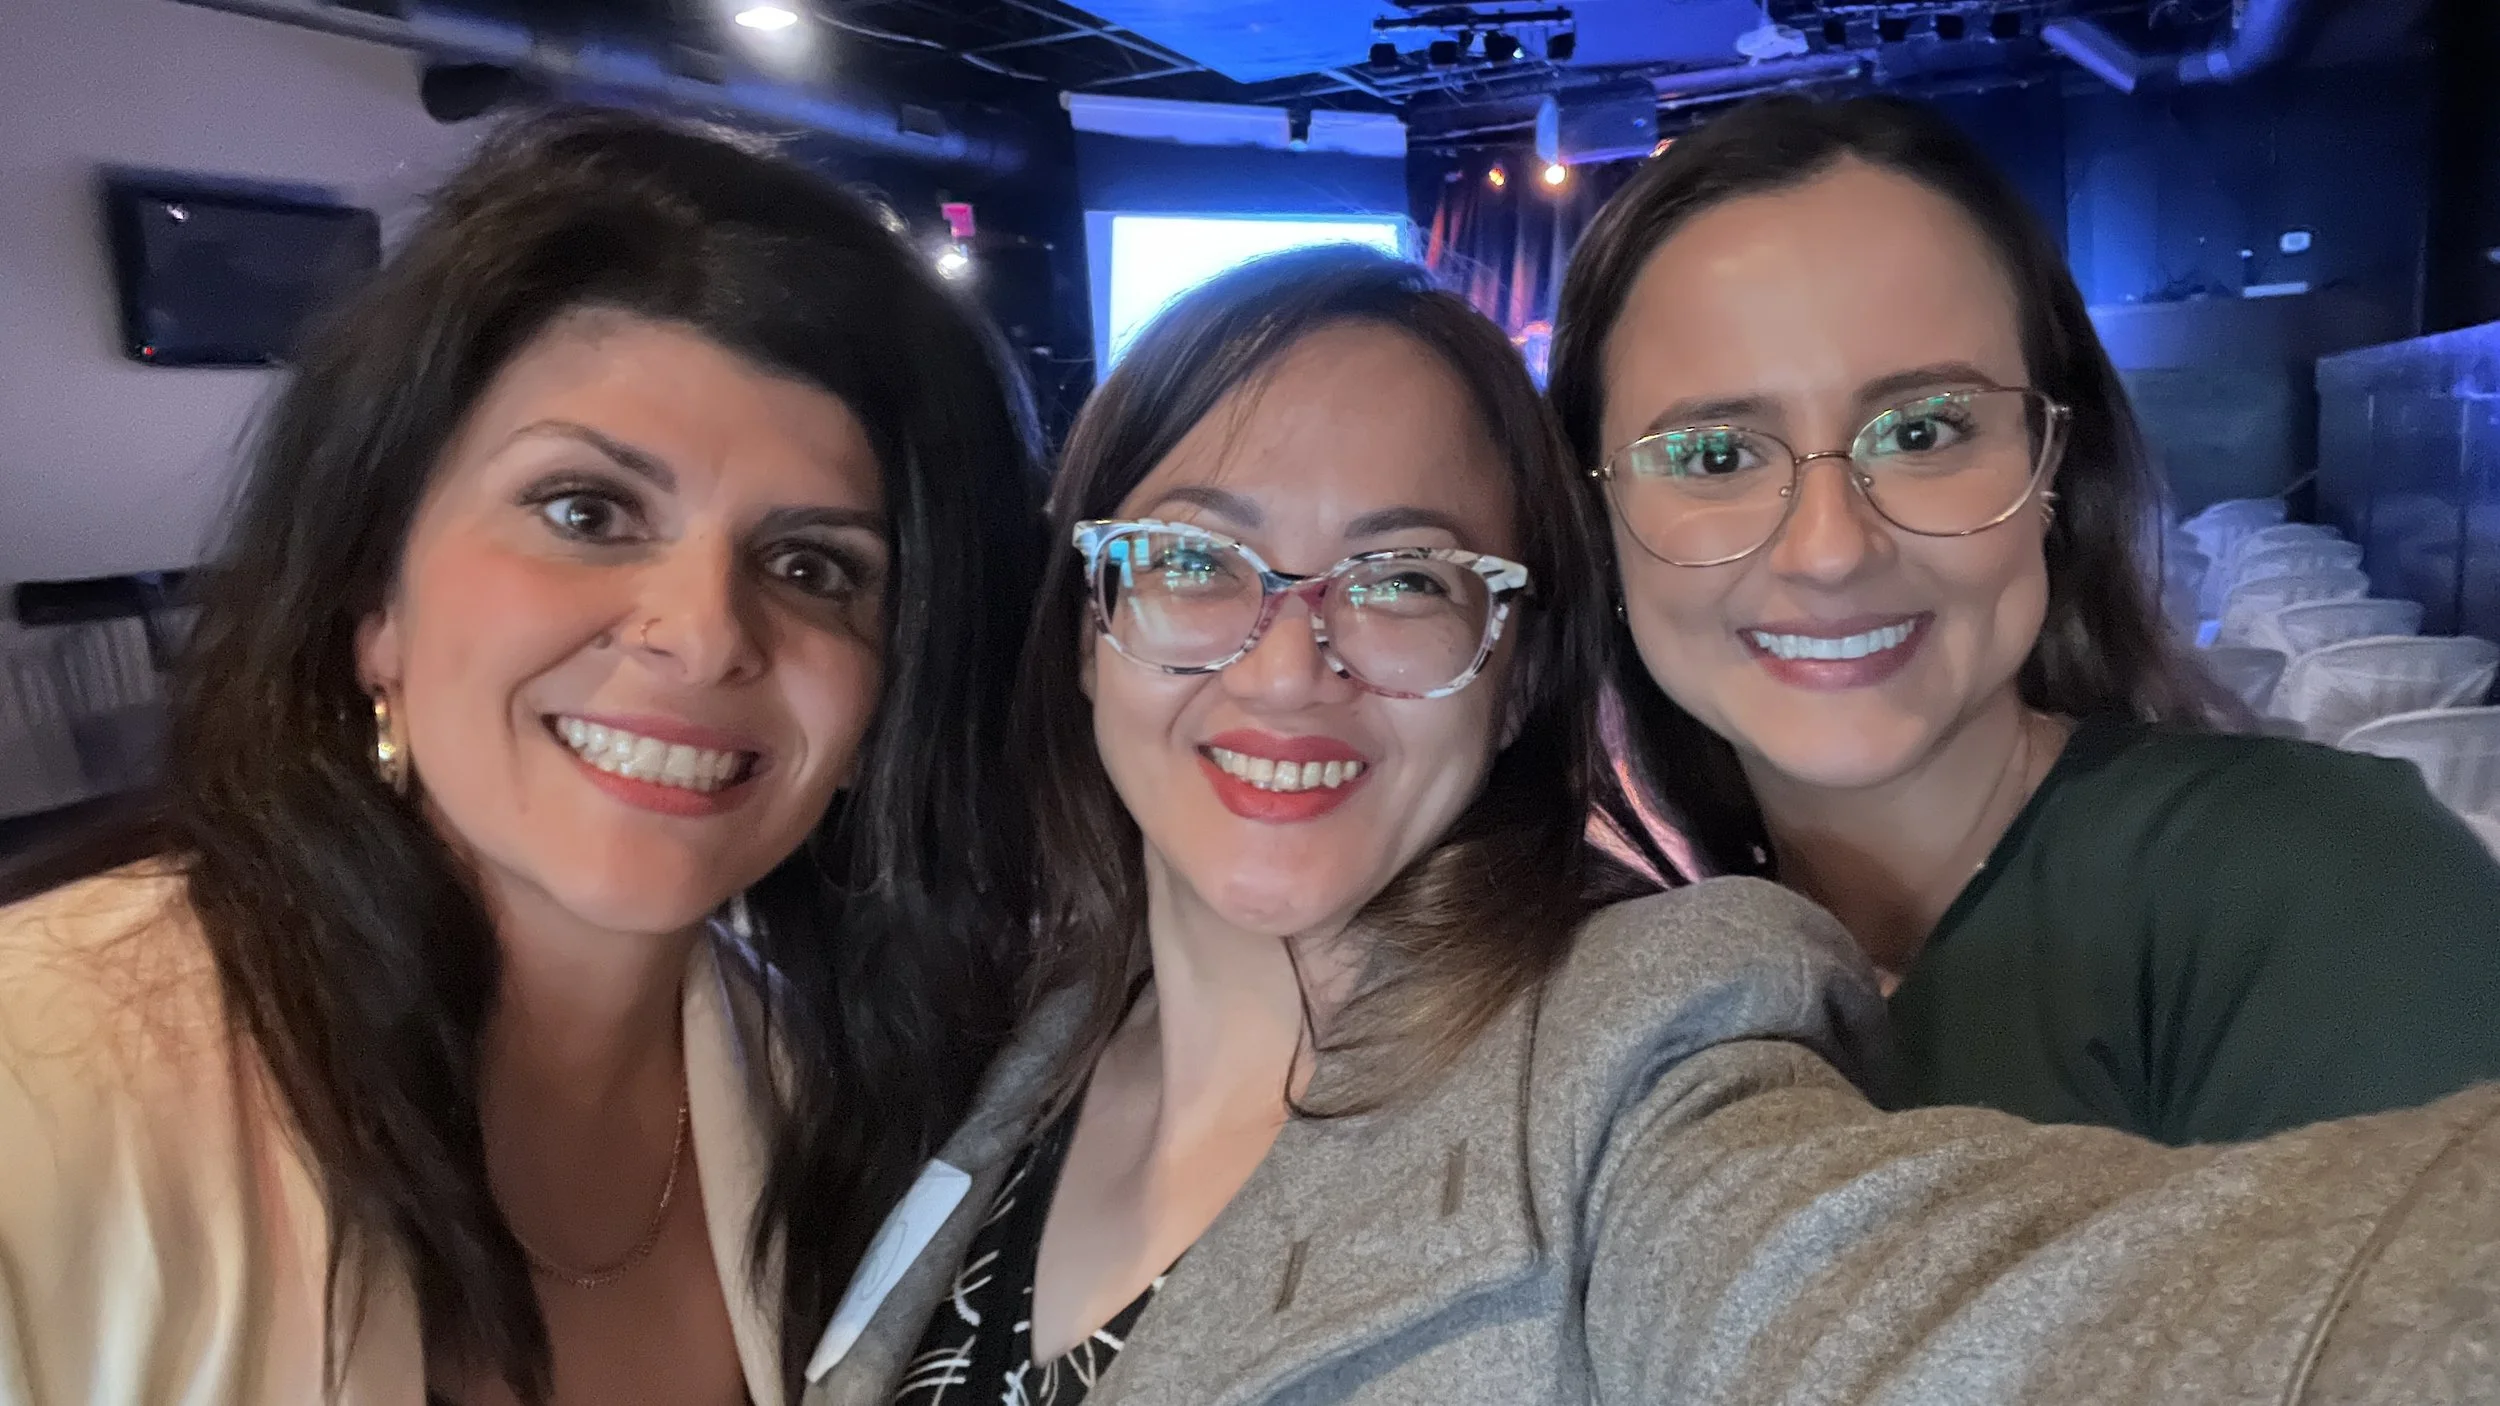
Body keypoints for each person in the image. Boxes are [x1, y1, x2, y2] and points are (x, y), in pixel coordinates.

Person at [800, 245, 2499, 1406]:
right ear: (1089, 616)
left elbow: (1972, 1317)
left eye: (1403, 578)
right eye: (1191, 558)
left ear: (1518, 660)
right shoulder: (1006, 1041)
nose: (1288, 664)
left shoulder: (1632, 1063)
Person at [0, 110, 1041, 1406]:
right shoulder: (31, 1090)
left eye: (814, 565)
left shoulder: (840, 1096)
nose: (706, 633)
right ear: (374, 601)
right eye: (586, 510)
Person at [1547, 94, 2500, 1146]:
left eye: (1921, 430)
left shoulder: (2326, 892)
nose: (1830, 547)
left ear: (2053, 463)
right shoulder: (1658, 995)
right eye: (1714, 455)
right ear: (1596, 520)